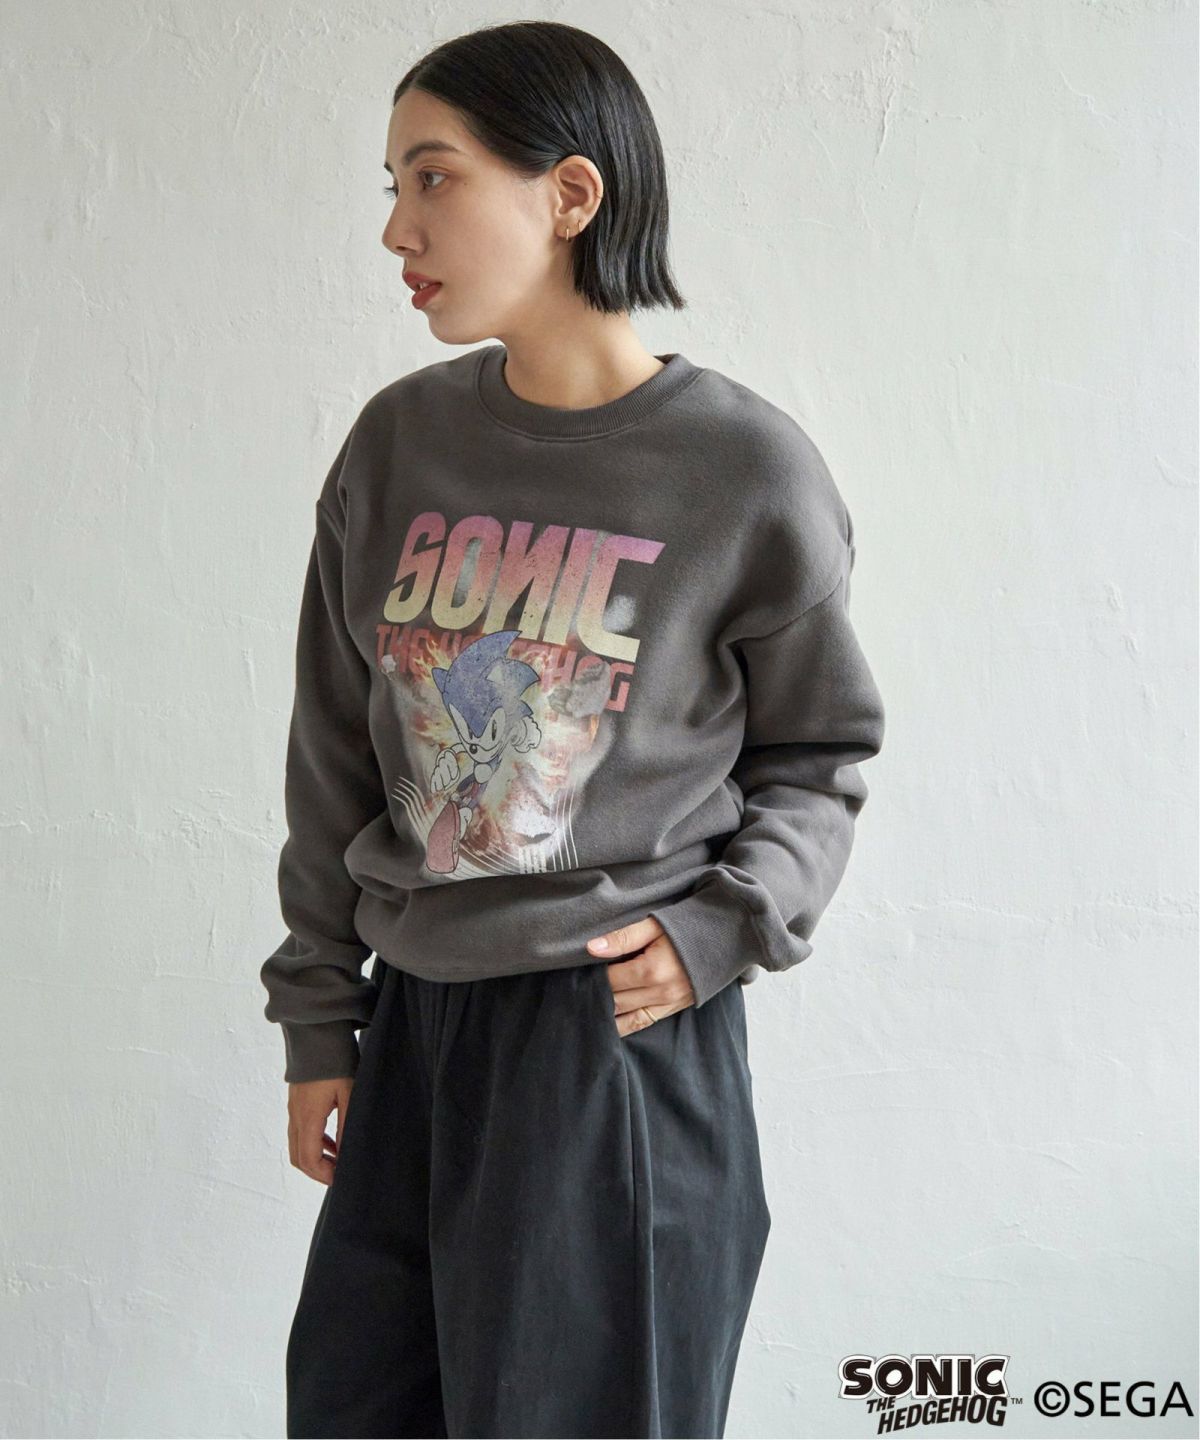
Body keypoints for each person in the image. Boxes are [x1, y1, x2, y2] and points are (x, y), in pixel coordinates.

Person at [260, 20, 886, 1440]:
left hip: (613, 1042)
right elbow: (334, 752)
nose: (397, 227)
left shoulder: (743, 470)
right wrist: (319, 1015)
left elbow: (818, 757)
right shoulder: (397, 445)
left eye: (434, 178)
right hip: (414, 1029)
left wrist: (724, 926)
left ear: (571, 194)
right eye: (392, 186)